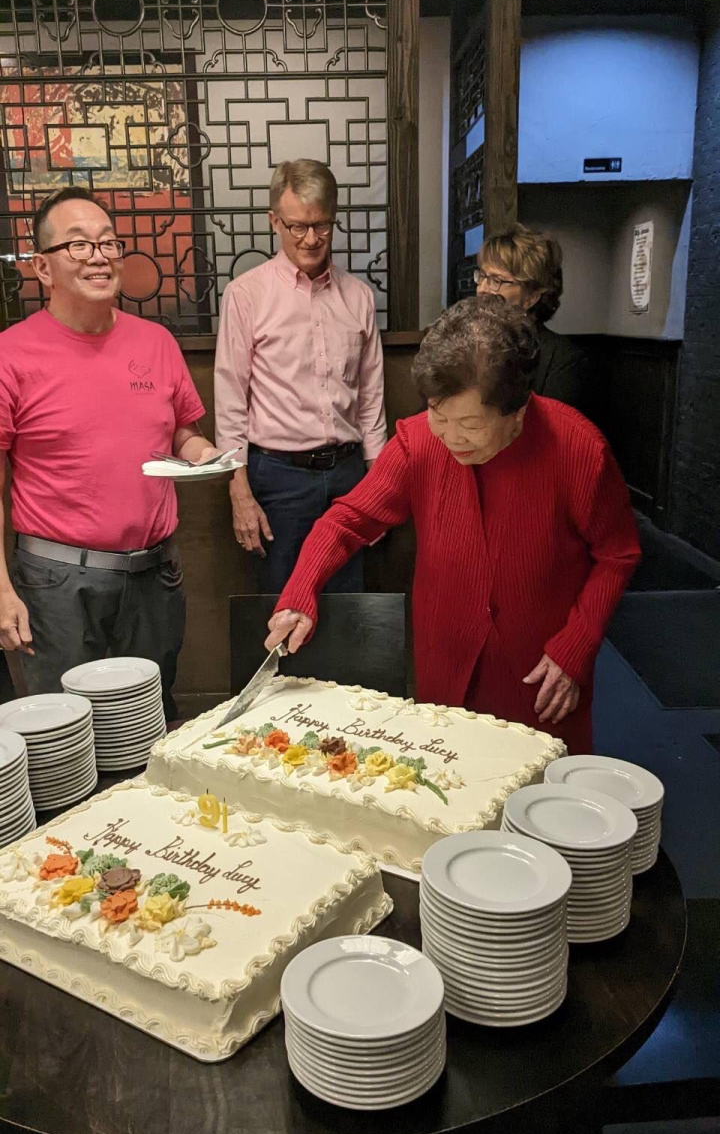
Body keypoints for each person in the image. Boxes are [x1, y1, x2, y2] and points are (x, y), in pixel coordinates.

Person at [264, 296, 640, 754]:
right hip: (445, 663)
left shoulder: (579, 450)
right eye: (439, 415)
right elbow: (348, 520)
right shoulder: (419, 442)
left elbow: (617, 554)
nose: (451, 437)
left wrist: (577, 645)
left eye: (469, 424)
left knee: (540, 798)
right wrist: (301, 593)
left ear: (517, 411)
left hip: (541, 673)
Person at [0, 185, 219, 715]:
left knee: (148, 720)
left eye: (108, 243)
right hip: (56, 583)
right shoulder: (11, 355)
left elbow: (181, 432)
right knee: (63, 730)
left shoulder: (156, 342)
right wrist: (1, 590)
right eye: (77, 245)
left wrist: (203, 451)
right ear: (43, 268)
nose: (99, 256)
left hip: (155, 574)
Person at [214, 159, 386, 594]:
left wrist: (378, 489)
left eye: (322, 225)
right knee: (282, 608)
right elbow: (231, 398)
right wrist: (239, 490)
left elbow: (370, 401)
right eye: (297, 227)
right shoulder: (245, 295)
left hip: (348, 475)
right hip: (277, 477)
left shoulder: (359, 297)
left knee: (350, 609)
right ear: (274, 221)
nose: (311, 238)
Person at [475, 222, 588, 410]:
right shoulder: (469, 345)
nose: (482, 289)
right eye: (483, 276)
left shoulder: (563, 360)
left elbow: (558, 431)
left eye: (496, 280)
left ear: (531, 296)